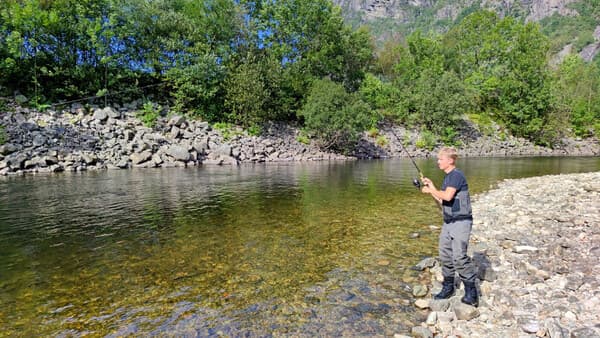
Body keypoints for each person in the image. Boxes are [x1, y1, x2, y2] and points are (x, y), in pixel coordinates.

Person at [421, 147, 478, 307]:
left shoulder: (456, 176)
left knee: (459, 257)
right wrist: (431, 188)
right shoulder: (447, 179)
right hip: (448, 223)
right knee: (445, 256)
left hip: (461, 222)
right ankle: (448, 287)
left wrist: (431, 189)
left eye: (440, 159)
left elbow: (447, 195)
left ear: (450, 160)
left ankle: (471, 293)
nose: (438, 161)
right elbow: (443, 201)